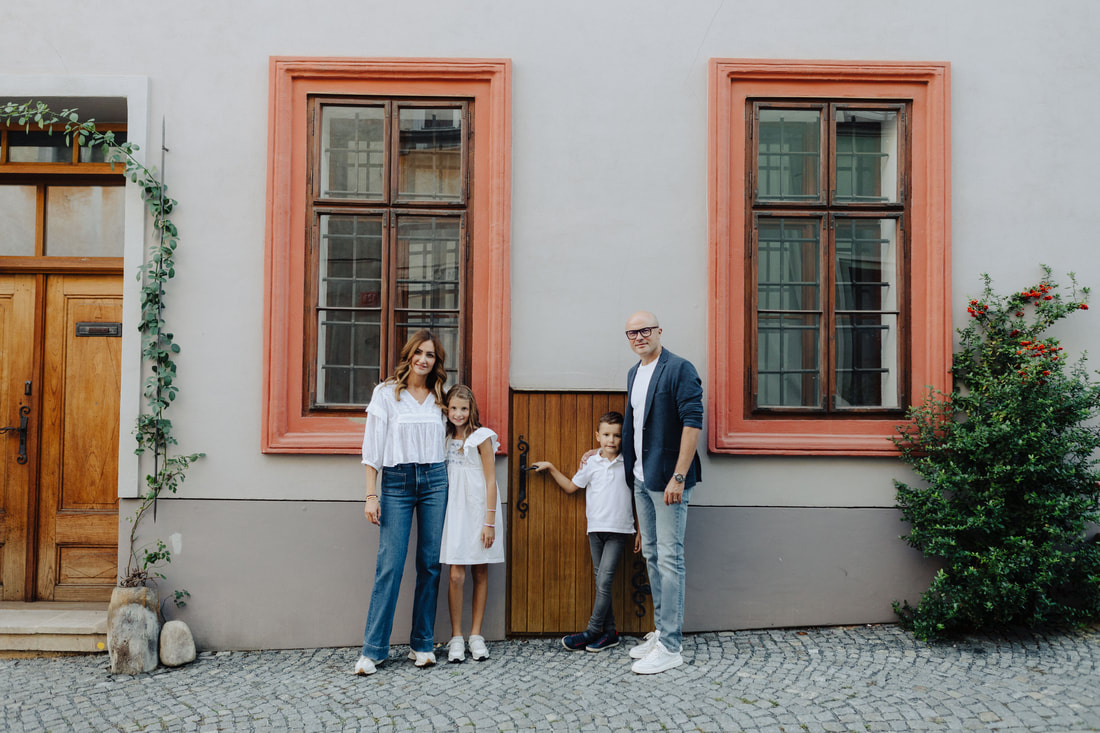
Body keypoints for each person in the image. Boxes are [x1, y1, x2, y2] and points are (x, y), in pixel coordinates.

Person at [355, 330, 450, 676]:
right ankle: (374, 649)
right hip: (396, 482)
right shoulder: (386, 394)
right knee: (390, 565)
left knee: (429, 564)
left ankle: (422, 643)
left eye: (431, 356)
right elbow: (372, 448)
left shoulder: (441, 397)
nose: (424, 360)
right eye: (420, 353)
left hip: (435, 482)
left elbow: (463, 432)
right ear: (409, 355)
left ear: (437, 362)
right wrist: (371, 494)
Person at [622, 311, 702, 675]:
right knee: (652, 556)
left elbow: (692, 422)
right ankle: (661, 631)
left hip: (670, 481)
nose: (639, 337)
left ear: (658, 332)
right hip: (641, 478)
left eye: (645, 330)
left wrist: (679, 476)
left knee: (671, 559)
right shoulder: (634, 373)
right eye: (632, 333)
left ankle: (671, 646)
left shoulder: (679, 368)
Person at [532, 411, 639, 653]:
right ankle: (610, 633)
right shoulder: (591, 462)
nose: (611, 440)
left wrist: (640, 529)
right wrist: (550, 468)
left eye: (617, 435)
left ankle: (592, 631)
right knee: (601, 581)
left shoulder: (629, 463)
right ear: (598, 436)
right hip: (595, 530)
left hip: (619, 530)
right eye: (606, 435)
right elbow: (571, 487)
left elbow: (639, 497)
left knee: (604, 580)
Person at [439, 384, 504, 663]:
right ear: (447, 409)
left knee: (480, 571)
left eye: (463, 408)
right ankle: (456, 636)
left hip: (479, 510)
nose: (458, 413)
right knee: (456, 574)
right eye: (453, 408)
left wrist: (489, 520)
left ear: (471, 409)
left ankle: (476, 635)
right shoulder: (442, 438)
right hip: (454, 511)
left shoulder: (482, 437)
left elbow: (490, 479)